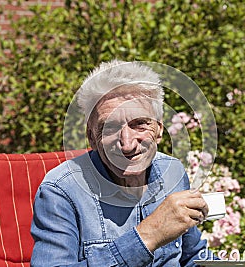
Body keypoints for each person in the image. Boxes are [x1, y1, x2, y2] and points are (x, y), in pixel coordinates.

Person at [30, 60, 217, 266]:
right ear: (92, 137)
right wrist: (148, 235)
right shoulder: (62, 190)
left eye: (139, 124)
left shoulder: (172, 172)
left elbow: (193, 256)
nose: (127, 144)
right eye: (109, 128)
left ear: (159, 129)